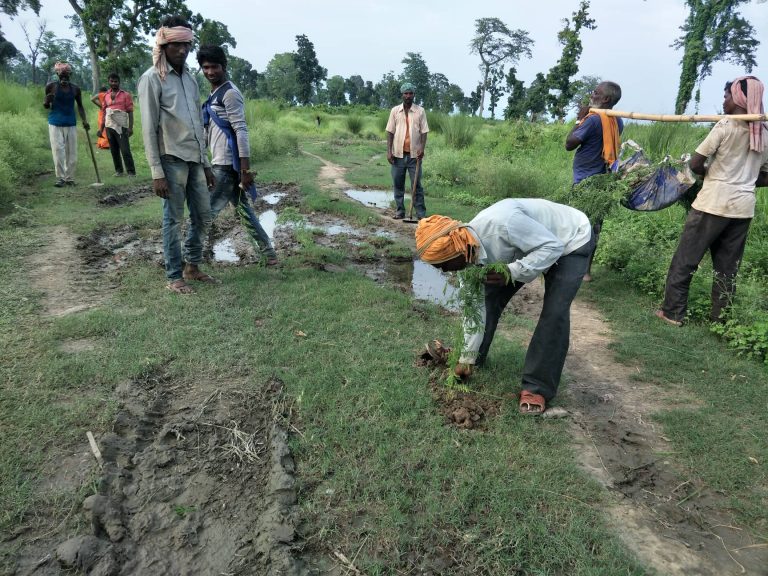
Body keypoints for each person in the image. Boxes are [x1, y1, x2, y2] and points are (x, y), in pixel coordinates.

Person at [415, 198, 594, 415]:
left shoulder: (503, 224)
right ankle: (473, 358)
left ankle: (537, 388)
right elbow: (474, 309)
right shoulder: (466, 257)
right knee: (488, 299)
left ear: (458, 252)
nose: (445, 271)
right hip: (526, 249)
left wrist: (511, 271)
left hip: (569, 239)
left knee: (555, 312)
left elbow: (552, 246)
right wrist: (466, 358)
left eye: (444, 265)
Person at [656, 76, 768, 327]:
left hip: (712, 204)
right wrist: (746, 179)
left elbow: (696, 163)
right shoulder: (764, 133)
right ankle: (721, 320)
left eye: (727, 96)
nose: (724, 101)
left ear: (738, 99)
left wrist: (713, 174)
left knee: (686, 259)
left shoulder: (725, 125)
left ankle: (672, 312)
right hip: (742, 209)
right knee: (727, 268)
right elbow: (766, 177)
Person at [137, 15, 216, 294]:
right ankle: (174, 276)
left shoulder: (191, 81)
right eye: (176, 45)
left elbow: (197, 123)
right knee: (173, 219)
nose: (182, 50)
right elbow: (148, 128)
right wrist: (156, 172)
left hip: (195, 158)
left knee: (203, 215)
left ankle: (192, 266)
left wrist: (206, 163)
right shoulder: (152, 79)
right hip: (170, 159)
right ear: (163, 45)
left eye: (186, 45)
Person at [197, 45, 278, 266]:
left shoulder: (230, 93)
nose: (210, 72)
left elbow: (241, 130)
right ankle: (269, 254)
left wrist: (245, 170)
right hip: (222, 162)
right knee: (244, 210)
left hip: (226, 165)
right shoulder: (215, 93)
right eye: (206, 67)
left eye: (214, 66)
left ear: (224, 66)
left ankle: (191, 259)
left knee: (204, 212)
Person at [564, 81, 623, 281]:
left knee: (577, 225)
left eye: (596, 93)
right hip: (604, 181)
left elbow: (569, 144)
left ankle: (571, 268)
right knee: (594, 226)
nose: (592, 95)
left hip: (585, 182)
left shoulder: (592, 120)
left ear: (605, 99)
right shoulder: (617, 121)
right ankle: (586, 271)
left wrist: (579, 120)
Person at [386, 82, 429, 220]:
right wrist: (389, 151)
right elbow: (390, 132)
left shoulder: (420, 111)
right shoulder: (395, 111)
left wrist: (422, 148)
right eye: (406, 93)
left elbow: (424, 132)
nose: (408, 96)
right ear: (402, 95)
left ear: (414, 95)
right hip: (397, 155)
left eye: (410, 93)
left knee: (416, 185)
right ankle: (400, 211)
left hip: (414, 156)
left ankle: (421, 214)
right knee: (398, 184)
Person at [43, 62, 89, 187]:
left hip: (70, 122)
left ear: (70, 74)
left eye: (66, 74)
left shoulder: (75, 89)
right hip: (55, 122)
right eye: (61, 74)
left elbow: (80, 106)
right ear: (57, 74)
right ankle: (61, 178)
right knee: (58, 150)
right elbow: (46, 105)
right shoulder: (51, 86)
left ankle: (70, 178)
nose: (64, 77)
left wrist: (84, 121)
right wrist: (47, 102)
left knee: (72, 152)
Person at [97, 73, 136, 177]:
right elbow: (104, 113)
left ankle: (131, 172)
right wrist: (101, 129)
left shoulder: (125, 95)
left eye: (116, 81)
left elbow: (130, 112)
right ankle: (119, 171)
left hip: (121, 126)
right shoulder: (106, 95)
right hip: (109, 126)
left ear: (119, 82)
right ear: (109, 82)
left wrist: (130, 128)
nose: (114, 83)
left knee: (125, 149)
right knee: (114, 150)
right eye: (112, 81)